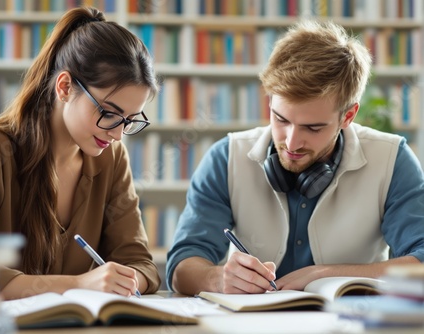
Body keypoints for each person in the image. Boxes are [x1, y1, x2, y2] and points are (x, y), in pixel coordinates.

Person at [166, 20, 424, 296]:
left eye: (313, 128)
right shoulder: (225, 158)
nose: (291, 142)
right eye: (280, 118)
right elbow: (182, 267)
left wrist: (323, 274)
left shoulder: (392, 160)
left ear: (347, 116)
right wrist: (217, 279)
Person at [0, 7, 161, 299]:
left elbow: (141, 264)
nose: (116, 134)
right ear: (64, 87)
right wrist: (78, 285)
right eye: (109, 113)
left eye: (129, 120)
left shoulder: (112, 159)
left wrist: (125, 279)